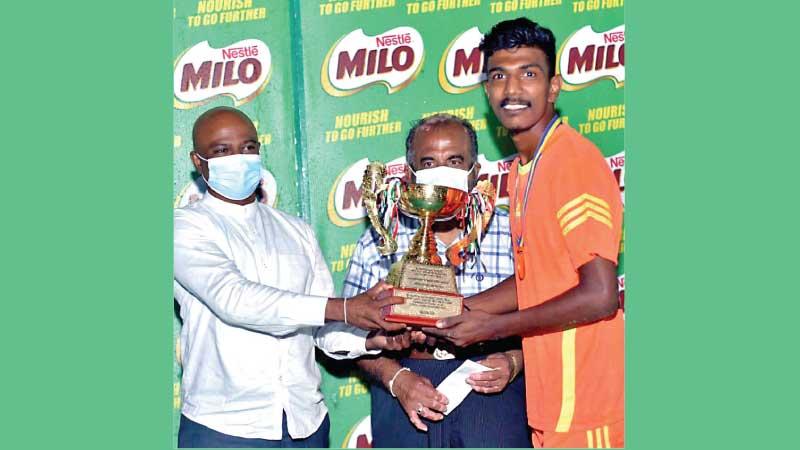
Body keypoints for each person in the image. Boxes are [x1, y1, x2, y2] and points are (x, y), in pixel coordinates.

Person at [423, 19, 625, 448]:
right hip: (553, 402)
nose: (512, 90)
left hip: (587, 405)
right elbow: (535, 281)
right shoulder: (522, 170)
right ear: (486, 89)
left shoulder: (572, 162)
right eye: (499, 76)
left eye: (528, 74)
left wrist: (489, 329)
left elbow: (599, 295)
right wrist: (457, 310)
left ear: (553, 87)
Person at [173, 106, 410, 448]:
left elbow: (322, 329)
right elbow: (235, 300)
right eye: (222, 151)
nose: (239, 158)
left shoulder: (296, 231)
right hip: (225, 427)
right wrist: (346, 309)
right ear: (199, 162)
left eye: (249, 147)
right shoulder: (185, 226)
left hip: (306, 424)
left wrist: (370, 340)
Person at [344, 114, 531, 448]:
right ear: (410, 174)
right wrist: (395, 379)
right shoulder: (380, 240)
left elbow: (548, 317)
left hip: (491, 388)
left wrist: (515, 361)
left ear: (475, 172)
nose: (442, 172)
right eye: (428, 162)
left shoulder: (513, 235)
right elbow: (344, 334)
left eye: (455, 161)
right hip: (406, 390)